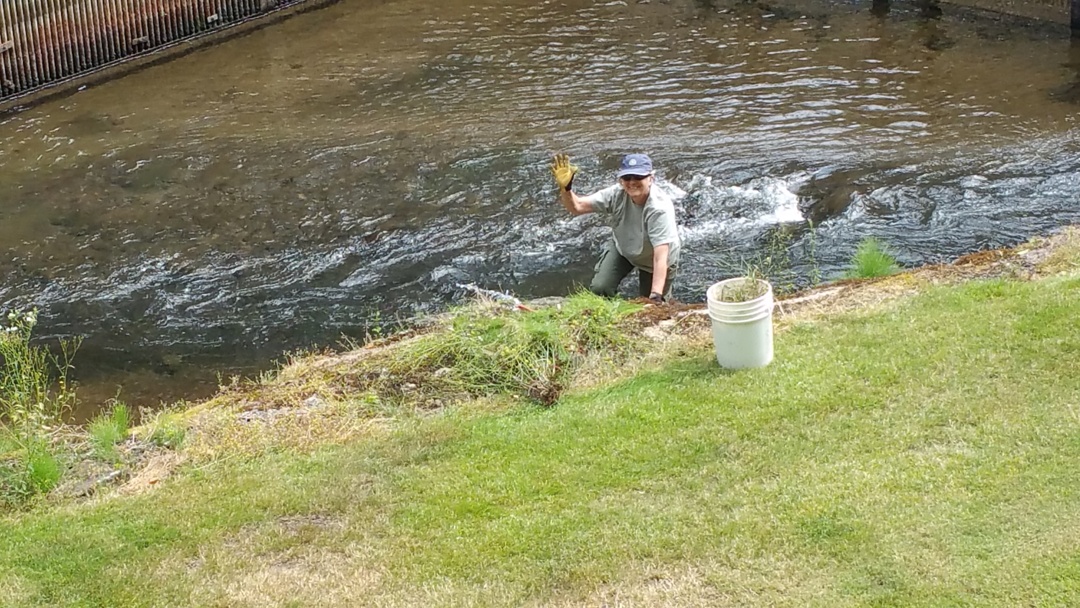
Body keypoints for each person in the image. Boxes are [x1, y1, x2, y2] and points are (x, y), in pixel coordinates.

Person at [551, 153, 681, 303]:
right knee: (600, 288)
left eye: (638, 177)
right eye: (627, 178)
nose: (632, 182)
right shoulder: (616, 193)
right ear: (621, 180)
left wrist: (656, 295)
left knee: (652, 305)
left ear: (651, 178)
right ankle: (612, 315)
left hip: (654, 260)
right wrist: (566, 189)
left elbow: (660, 256)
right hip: (624, 248)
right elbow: (577, 207)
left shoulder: (658, 208)